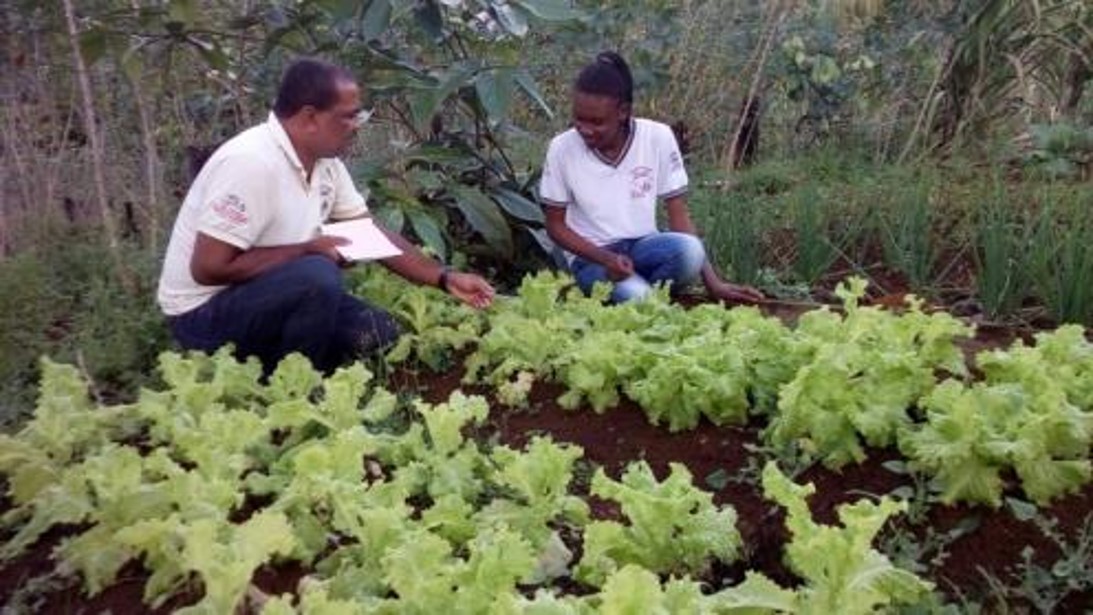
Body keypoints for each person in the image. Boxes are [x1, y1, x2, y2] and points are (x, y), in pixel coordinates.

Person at [157, 58, 495, 373]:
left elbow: (367, 233)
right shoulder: (251, 162)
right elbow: (208, 268)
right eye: (348, 117)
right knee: (317, 277)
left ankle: (279, 365)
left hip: (268, 292)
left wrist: (444, 278)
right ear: (309, 118)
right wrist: (306, 249)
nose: (356, 127)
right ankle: (292, 391)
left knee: (380, 334)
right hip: (203, 315)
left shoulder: (324, 162)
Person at [539, 51, 764, 305]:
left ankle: (634, 292)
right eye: (579, 119)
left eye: (597, 122)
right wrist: (605, 259)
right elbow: (555, 226)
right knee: (641, 301)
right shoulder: (561, 148)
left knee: (691, 252)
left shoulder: (657, 137)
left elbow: (678, 214)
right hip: (591, 260)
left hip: (643, 248)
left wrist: (714, 284)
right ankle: (636, 294)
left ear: (622, 112)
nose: (585, 129)